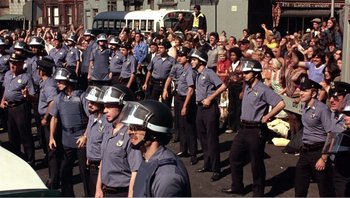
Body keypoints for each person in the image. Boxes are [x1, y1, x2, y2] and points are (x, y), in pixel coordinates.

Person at [222, 58, 285, 196]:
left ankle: (258, 193)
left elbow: (280, 103)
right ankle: (237, 186)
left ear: (255, 74)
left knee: (256, 163)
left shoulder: (262, 89)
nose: (244, 75)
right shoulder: (247, 87)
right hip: (243, 128)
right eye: (243, 73)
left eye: (247, 73)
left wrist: (268, 116)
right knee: (234, 157)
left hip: (256, 130)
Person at [121, 99, 191, 197]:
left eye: (135, 128)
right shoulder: (147, 160)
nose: (129, 132)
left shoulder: (166, 177)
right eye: (130, 127)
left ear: (153, 133)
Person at [48, 67, 90, 196]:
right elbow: (54, 118)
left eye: (61, 81)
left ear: (69, 81)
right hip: (66, 139)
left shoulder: (82, 96)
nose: (58, 84)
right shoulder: (59, 98)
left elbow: (92, 118)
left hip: (81, 140)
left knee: (84, 172)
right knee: (65, 171)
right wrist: (51, 137)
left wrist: (85, 136)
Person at [95, 84, 142, 197]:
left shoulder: (131, 135)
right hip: (105, 191)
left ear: (123, 107)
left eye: (109, 106)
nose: (105, 110)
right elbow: (103, 161)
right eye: (104, 106)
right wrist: (98, 188)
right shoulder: (108, 129)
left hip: (122, 193)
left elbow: (135, 171)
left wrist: (131, 196)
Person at [294, 75, 334, 197]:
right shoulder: (304, 106)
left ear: (313, 93)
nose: (301, 93)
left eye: (305, 90)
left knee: (324, 189)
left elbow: (331, 134)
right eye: (301, 90)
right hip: (305, 152)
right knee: (299, 188)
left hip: (319, 152)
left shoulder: (322, 109)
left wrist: (324, 158)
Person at [190, 49, 227, 182]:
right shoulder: (197, 75)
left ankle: (216, 169)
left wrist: (210, 98)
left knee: (212, 139)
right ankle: (208, 164)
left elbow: (222, 86)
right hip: (200, 108)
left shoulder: (209, 72)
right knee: (202, 138)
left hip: (209, 108)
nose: (192, 62)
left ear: (201, 61)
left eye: (194, 60)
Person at [0, 53, 37, 167]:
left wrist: (27, 96)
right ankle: (16, 159)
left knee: (25, 135)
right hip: (9, 109)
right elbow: (6, 90)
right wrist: (2, 101)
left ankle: (30, 160)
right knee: (12, 136)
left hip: (21, 108)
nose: (12, 65)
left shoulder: (26, 77)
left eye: (15, 63)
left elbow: (34, 96)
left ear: (21, 64)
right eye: (11, 62)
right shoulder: (7, 74)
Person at [163, 47, 198, 164]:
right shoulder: (180, 67)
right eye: (178, 56)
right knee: (181, 125)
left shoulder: (190, 71)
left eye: (181, 56)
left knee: (189, 127)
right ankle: (184, 149)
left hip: (186, 100)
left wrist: (185, 106)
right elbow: (171, 78)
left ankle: (193, 153)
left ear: (187, 58)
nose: (178, 58)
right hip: (179, 97)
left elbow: (191, 90)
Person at [36, 56, 60, 189]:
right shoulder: (44, 83)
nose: (37, 71)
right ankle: (53, 177)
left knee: (52, 151)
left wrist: (46, 117)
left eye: (39, 68)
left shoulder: (49, 84)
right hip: (46, 118)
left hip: (50, 120)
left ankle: (54, 180)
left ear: (43, 70)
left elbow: (52, 102)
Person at [84, 85, 106, 197]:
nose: (89, 105)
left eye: (93, 102)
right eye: (89, 102)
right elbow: (89, 133)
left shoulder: (107, 123)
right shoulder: (92, 117)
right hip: (91, 166)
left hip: (100, 169)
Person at [142, 40, 175, 108]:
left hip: (165, 84)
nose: (159, 49)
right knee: (153, 104)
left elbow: (172, 74)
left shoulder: (172, 60)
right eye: (159, 47)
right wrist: (145, 83)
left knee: (166, 104)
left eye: (161, 48)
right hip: (154, 84)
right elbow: (149, 71)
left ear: (166, 49)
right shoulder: (155, 58)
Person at [331, 102, 350, 197]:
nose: (345, 117)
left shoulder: (345, 135)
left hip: (343, 176)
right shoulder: (344, 133)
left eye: (349, 115)